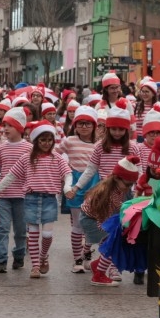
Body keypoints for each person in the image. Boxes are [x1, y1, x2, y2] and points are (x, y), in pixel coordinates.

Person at [0, 121, 72, 279]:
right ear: (36, 141)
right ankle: (35, 265)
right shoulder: (27, 158)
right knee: (32, 234)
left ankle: (43, 257)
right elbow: (11, 175)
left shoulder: (57, 158)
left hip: (49, 199)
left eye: (49, 140)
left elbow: (67, 173)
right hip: (31, 198)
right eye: (42, 140)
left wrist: (67, 188)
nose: (46, 144)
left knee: (47, 234)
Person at [80, 155, 140, 287]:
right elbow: (121, 210)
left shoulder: (116, 187)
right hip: (91, 220)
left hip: (93, 218)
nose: (129, 188)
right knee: (113, 245)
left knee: (113, 242)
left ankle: (97, 265)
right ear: (117, 178)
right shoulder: (110, 194)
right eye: (128, 184)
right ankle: (99, 275)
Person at [57, 106, 100, 273]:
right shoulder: (69, 141)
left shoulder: (99, 144)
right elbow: (55, 154)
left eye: (88, 124)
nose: (84, 127)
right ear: (75, 125)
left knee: (91, 222)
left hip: (94, 184)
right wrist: (64, 170)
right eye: (80, 123)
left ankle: (87, 255)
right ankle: (77, 259)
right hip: (75, 185)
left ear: (94, 126)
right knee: (77, 224)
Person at [0, 108, 32, 273]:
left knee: (21, 229)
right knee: (3, 228)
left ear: (20, 128)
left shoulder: (29, 148)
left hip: (22, 196)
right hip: (5, 195)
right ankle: (1, 260)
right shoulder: (1, 148)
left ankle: (19, 255)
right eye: (4, 125)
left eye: (10, 125)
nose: (5, 129)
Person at [134, 77, 158, 142]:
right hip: (138, 139)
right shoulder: (136, 106)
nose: (144, 94)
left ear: (153, 93)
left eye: (147, 92)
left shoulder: (158, 106)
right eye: (143, 91)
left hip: (152, 139)